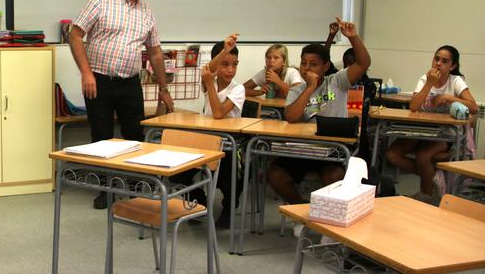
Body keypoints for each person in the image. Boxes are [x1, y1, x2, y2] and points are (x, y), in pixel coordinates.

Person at [70, 0, 174, 209]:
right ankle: (105, 188)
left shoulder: (147, 13)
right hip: (99, 80)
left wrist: (164, 88)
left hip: (130, 83)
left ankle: (134, 184)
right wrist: (86, 72)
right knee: (102, 137)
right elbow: (75, 35)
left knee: (134, 136)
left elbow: (155, 52)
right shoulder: (100, 1)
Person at [267, 18, 371, 224]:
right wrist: (308, 88)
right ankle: (302, 213)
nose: (307, 68)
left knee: (334, 177)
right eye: (304, 63)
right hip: (302, 149)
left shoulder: (338, 82)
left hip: (331, 150)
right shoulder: (297, 88)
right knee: (275, 175)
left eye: (313, 64)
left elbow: (363, 63)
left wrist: (353, 37)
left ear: (326, 66)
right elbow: (291, 117)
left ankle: (327, 220)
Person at [385, 45, 478, 204]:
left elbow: (474, 107)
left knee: (423, 156)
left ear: (453, 66)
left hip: (445, 134)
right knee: (392, 155)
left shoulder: (455, 81)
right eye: (436, 59)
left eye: (444, 61)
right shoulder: (424, 79)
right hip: (420, 130)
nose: (438, 63)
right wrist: (429, 84)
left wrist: (449, 98)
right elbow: (414, 107)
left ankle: (426, 195)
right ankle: (433, 177)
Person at [170, 35, 243, 227]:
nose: (230, 69)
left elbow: (218, 113)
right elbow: (208, 71)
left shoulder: (238, 89)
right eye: (224, 64)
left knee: (230, 172)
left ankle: (229, 206)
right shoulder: (209, 80)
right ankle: (199, 200)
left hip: (229, 143)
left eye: (234, 64)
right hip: (206, 140)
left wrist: (210, 83)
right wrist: (224, 51)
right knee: (179, 171)